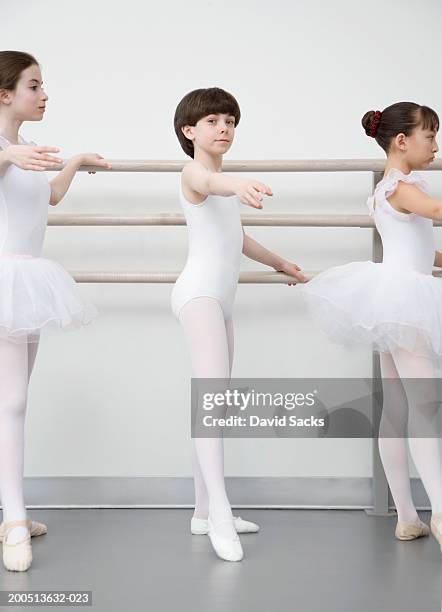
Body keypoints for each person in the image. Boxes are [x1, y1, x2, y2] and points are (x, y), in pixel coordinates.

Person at [298, 101, 442, 554]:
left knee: (397, 410)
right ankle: (441, 512)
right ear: (402, 141)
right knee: (426, 410)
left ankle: (406, 517)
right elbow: (436, 210)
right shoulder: (401, 187)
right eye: (430, 136)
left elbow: (416, 246)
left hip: (392, 298)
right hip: (404, 304)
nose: (435, 145)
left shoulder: (392, 188)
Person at [171, 87, 306, 561]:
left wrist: (282, 264)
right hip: (199, 295)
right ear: (190, 132)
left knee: (214, 405)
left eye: (230, 120)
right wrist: (239, 184)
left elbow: (239, 238)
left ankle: (202, 511)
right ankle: (221, 514)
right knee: (212, 404)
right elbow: (211, 186)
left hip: (222, 299)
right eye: (212, 121)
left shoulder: (222, 181)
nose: (224, 128)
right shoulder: (195, 172)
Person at [0, 50, 110, 571]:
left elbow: (47, 198)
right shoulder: (8, 150)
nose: (45, 94)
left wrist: (74, 163)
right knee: (13, 400)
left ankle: (12, 509)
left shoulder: (24, 149)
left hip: (29, 281)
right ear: (4, 93)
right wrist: (9, 156)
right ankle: (15, 518)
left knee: (13, 400)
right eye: (34, 85)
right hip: (5, 278)